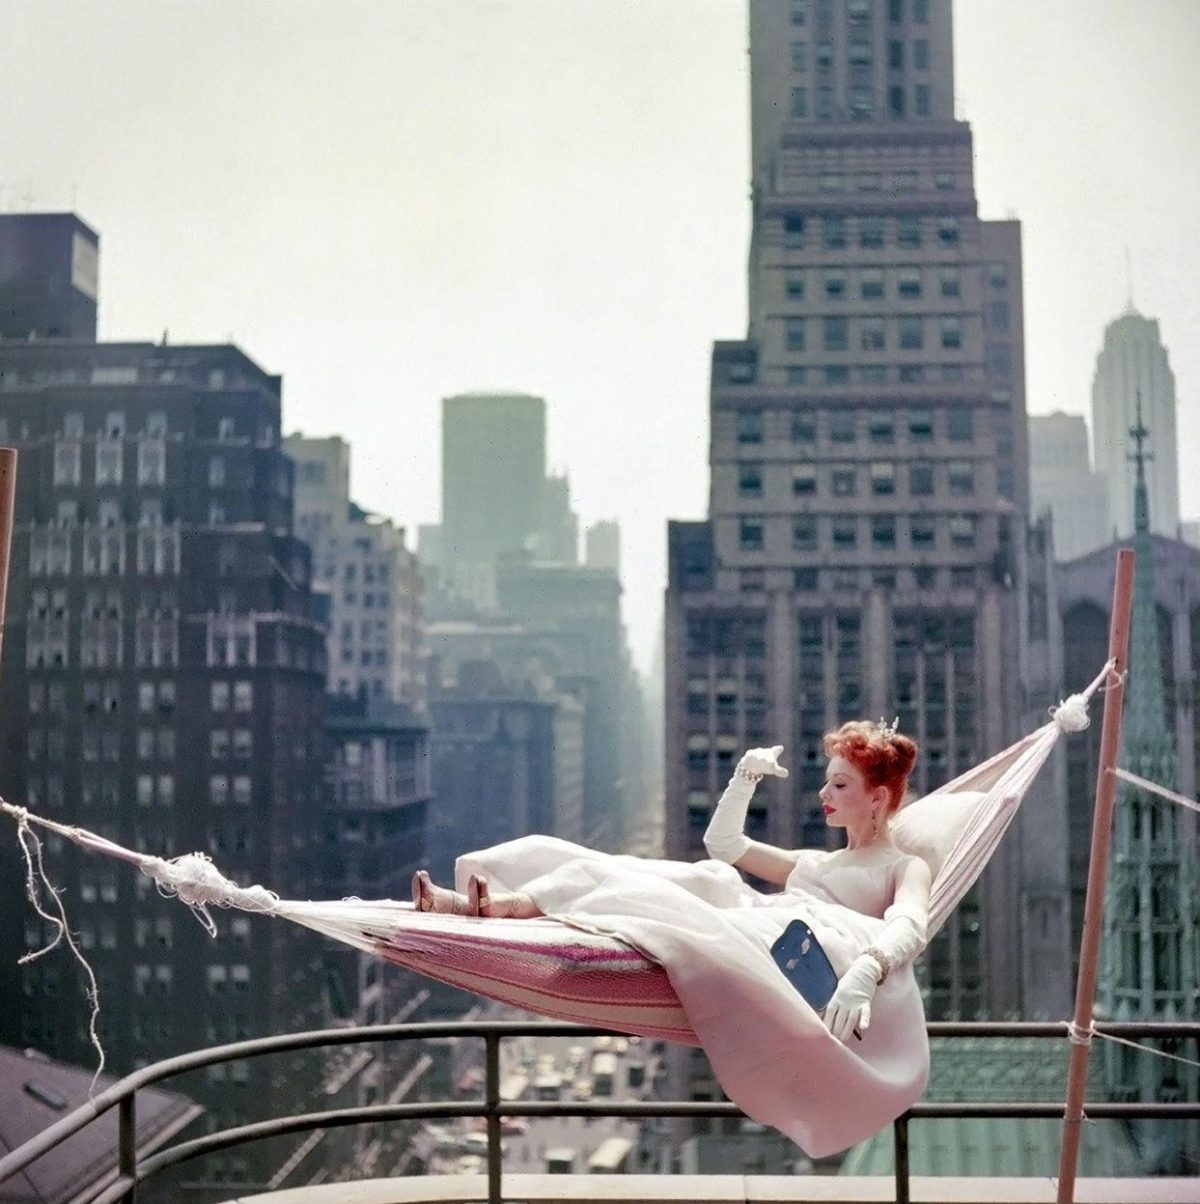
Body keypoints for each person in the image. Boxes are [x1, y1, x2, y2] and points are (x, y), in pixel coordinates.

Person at [412, 720, 933, 1156]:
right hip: (762, 921)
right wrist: (745, 775)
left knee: (677, 899)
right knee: (665, 874)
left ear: (878, 797)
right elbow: (723, 844)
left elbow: (911, 922)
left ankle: (500, 908)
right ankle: (493, 906)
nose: (823, 794)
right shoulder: (816, 862)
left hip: (787, 951)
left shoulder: (902, 867)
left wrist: (868, 968)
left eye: (839, 785)